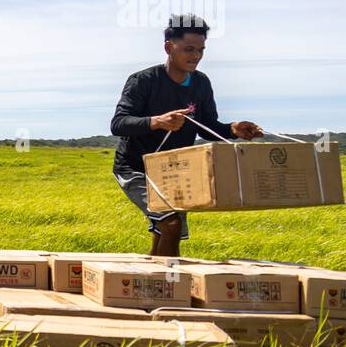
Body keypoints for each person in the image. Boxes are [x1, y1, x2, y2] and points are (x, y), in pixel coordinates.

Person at [111, 14, 263, 257]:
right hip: (136, 168)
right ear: (169, 47)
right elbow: (118, 123)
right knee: (170, 223)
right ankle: (172, 287)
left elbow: (206, 127)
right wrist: (158, 122)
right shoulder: (143, 81)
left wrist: (232, 129)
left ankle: (155, 284)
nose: (196, 56)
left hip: (174, 171)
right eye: (189, 49)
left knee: (164, 231)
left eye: (201, 50)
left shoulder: (201, 84)